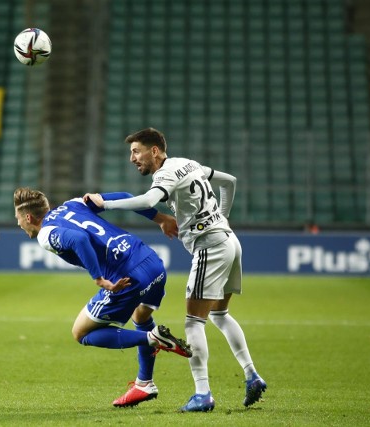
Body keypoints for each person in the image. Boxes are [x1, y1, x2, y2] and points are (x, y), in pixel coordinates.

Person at [84, 127, 267, 412]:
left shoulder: (165, 174)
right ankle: (251, 374)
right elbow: (229, 182)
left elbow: (147, 201)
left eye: (136, 151)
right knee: (220, 314)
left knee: (194, 323)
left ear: (154, 150)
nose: (132, 158)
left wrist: (104, 203)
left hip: (210, 247)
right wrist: (223, 217)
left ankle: (203, 394)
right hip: (230, 241)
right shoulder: (188, 164)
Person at [14, 187, 192, 408]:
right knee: (141, 315)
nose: (19, 224)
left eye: (18, 219)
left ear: (28, 217)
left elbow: (78, 239)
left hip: (126, 278)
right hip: (152, 262)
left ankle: (153, 338)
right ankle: (144, 383)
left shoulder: (46, 234)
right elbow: (126, 198)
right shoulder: (73, 203)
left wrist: (98, 278)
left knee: (80, 332)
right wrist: (160, 218)